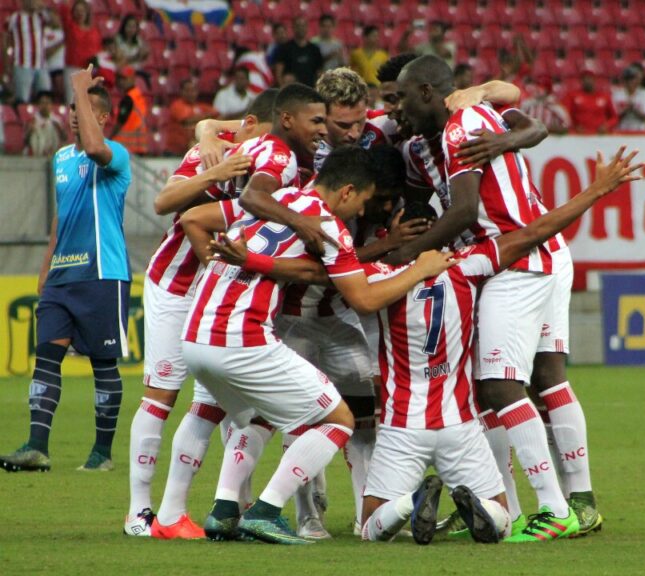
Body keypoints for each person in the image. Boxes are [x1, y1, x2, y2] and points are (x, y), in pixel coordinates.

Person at [209, 148, 643, 545]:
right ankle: (482, 513)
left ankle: (410, 505)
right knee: (503, 519)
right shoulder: (468, 267)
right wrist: (597, 190)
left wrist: (252, 260)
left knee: (373, 528)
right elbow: (534, 233)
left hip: (401, 426)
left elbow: (317, 277)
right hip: (459, 423)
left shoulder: (379, 276)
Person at [180, 145, 455, 545]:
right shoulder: (330, 227)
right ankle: (265, 511)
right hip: (243, 339)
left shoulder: (278, 200)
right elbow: (363, 299)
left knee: (259, 414)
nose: (361, 212)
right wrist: (419, 269)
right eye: (361, 202)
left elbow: (200, 220)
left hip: (196, 336)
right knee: (338, 420)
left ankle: (224, 512)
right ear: (346, 192)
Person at [388, 54, 578, 542]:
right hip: (506, 259)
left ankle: (556, 508)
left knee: (500, 384)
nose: (397, 109)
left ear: (428, 92)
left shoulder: (458, 129)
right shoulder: (461, 121)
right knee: (485, 385)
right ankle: (507, 507)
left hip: (518, 259)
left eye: (403, 98)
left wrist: (405, 256)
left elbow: (465, 208)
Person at [123, 90, 278, 539]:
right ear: (246, 126)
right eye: (259, 140)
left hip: (223, 289)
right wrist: (220, 163)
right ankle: (139, 512)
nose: (263, 153)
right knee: (162, 394)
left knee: (229, 402)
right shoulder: (215, 151)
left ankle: (233, 506)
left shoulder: (279, 164)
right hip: (176, 286)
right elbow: (163, 200)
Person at [0, 65, 131, 473]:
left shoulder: (116, 154)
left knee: (103, 365)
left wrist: (78, 83)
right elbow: (60, 218)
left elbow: (94, 148)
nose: (74, 114)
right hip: (62, 275)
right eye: (72, 108)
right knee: (46, 357)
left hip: (102, 272)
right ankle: (37, 446)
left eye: (83, 108)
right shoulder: (59, 158)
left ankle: (102, 453)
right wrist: (45, 266)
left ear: (103, 118)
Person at [4, 0, 51, 104]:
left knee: (45, 95)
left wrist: (42, 6)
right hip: (22, 63)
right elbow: (5, 37)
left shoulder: (41, 16)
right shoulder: (15, 18)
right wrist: (7, 62)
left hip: (41, 64)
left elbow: (55, 21)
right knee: (22, 99)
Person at [60, 0, 101, 104]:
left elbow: (98, 50)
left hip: (90, 71)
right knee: (73, 102)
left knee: (88, 103)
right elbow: (63, 10)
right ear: (73, 12)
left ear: (87, 12)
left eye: (82, 10)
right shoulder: (70, 27)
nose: (80, 13)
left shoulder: (94, 30)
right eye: (77, 10)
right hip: (73, 69)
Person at [166, 78, 218, 156]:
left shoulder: (200, 107)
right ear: (181, 92)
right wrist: (206, 117)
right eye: (187, 90)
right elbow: (187, 121)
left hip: (194, 148)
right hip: (177, 150)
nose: (190, 93)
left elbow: (218, 114)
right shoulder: (177, 105)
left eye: (193, 90)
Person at [273, 17, 323, 87]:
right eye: (298, 26)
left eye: (303, 26)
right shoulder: (285, 48)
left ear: (307, 27)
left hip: (310, 90)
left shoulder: (314, 49)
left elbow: (319, 72)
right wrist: (282, 89)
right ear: (293, 28)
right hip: (291, 91)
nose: (301, 28)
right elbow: (278, 72)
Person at [563, 69, 617, 134]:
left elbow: (614, 117)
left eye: (589, 78)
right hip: (579, 135)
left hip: (599, 135)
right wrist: (574, 126)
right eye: (584, 79)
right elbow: (565, 115)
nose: (587, 81)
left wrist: (606, 126)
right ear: (581, 81)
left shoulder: (605, 97)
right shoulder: (572, 95)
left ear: (594, 80)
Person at [111, 66, 149, 155]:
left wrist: (110, 140)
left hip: (126, 147)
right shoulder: (137, 95)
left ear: (132, 79)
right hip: (138, 147)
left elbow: (120, 122)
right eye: (119, 79)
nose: (121, 82)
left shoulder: (128, 99)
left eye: (124, 79)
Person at [612, 65, 645, 131]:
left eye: (633, 78)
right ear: (624, 80)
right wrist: (625, 110)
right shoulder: (617, 95)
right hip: (621, 131)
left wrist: (634, 110)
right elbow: (612, 118)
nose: (630, 81)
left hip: (639, 130)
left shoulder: (644, 94)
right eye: (628, 79)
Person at [25, 90, 67, 156]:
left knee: (53, 128)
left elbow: (65, 138)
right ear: (38, 105)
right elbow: (25, 141)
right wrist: (30, 130)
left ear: (51, 105)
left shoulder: (56, 120)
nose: (45, 106)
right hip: (37, 150)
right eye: (42, 103)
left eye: (47, 103)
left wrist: (60, 129)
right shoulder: (33, 119)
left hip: (52, 148)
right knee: (35, 131)